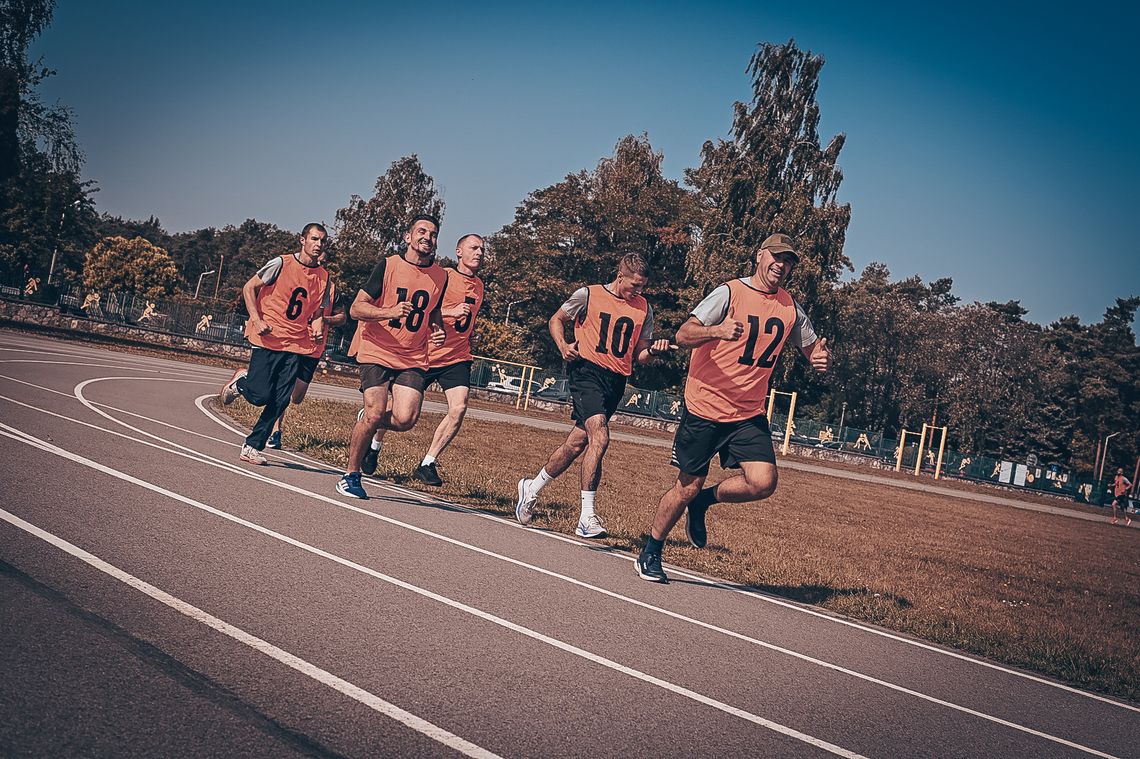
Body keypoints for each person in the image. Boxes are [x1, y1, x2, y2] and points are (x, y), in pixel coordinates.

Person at [635, 233, 832, 583]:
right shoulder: (730, 292)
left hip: (748, 412)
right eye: (776, 257)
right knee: (686, 486)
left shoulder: (790, 307)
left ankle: (706, 501)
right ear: (759, 256)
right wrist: (716, 330)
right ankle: (651, 550)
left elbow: (811, 347)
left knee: (763, 482)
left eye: (788, 261)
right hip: (705, 406)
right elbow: (683, 335)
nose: (781, 265)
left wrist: (818, 357)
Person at [514, 253, 672, 538]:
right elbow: (556, 319)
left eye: (642, 286)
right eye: (634, 285)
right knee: (600, 435)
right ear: (620, 276)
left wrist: (655, 350)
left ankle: (531, 487)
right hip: (586, 371)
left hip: (616, 380)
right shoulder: (589, 294)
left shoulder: (643, 308)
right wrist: (563, 345)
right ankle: (587, 516)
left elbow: (641, 355)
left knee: (576, 444)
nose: (638, 291)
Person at [336, 214, 447, 499]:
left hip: (412, 355)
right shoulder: (388, 265)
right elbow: (356, 309)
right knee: (375, 412)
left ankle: (368, 421)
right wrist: (389, 312)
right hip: (377, 349)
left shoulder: (441, 275)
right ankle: (351, 475)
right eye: (421, 231)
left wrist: (438, 329)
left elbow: (433, 311)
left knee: (406, 419)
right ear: (408, 237)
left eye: (433, 234)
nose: (427, 237)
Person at [362, 233, 486, 485]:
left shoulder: (480, 286)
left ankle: (428, 463)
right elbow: (427, 308)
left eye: (482, 249)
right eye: (474, 248)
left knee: (459, 407)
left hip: (456, 356)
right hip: (426, 352)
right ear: (458, 251)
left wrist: (471, 334)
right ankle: (374, 443)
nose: (479, 253)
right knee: (398, 410)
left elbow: (467, 320)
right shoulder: (443, 276)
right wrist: (449, 313)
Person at [219, 223, 333, 465]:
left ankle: (252, 445)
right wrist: (256, 319)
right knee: (260, 395)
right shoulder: (281, 264)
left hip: (296, 343)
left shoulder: (324, 277)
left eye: (322, 241)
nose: (318, 244)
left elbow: (317, 312)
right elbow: (249, 287)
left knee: (281, 399)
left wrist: (317, 327)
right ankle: (242, 381)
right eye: (314, 239)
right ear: (302, 240)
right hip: (269, 337)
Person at [267, 248, 346, 449]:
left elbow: (342, 316)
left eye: (324, 261)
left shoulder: (330, 288)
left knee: (297, 397)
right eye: (317, 259)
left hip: (314, 349)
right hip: (293, 343)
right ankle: (275, 431)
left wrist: (324, 319)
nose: (320, 263)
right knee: (283, 387)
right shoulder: (297, 280)